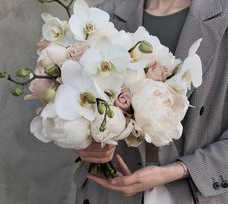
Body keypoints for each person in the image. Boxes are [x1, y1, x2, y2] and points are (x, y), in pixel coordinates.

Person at [74, 0, 228, 203]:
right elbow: (73, 100)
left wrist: (178, 170)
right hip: (110, 192)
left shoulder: (222, 16)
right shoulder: (100, 16)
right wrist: (85, 141)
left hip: (197, 191)